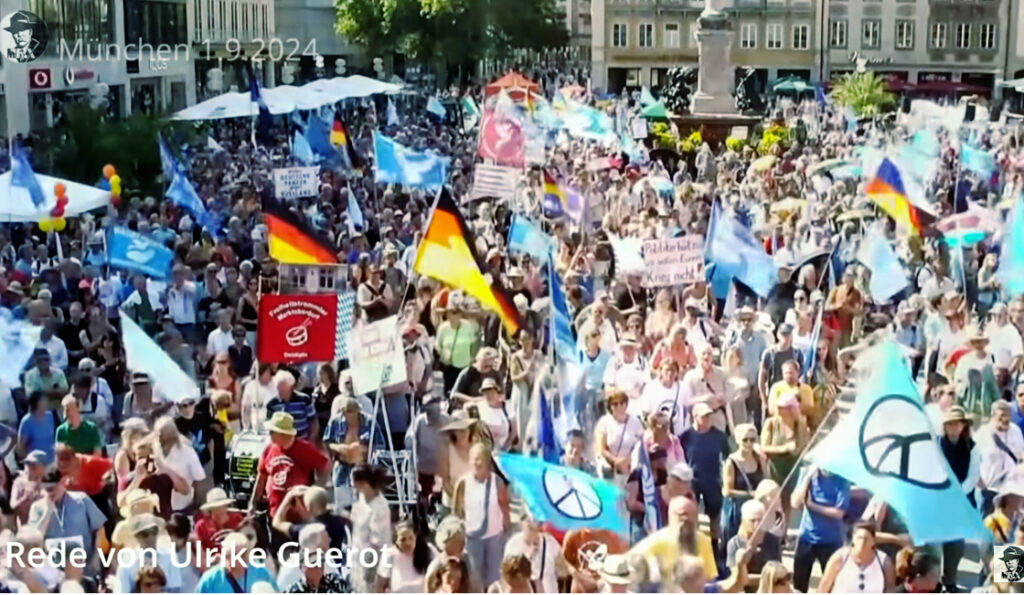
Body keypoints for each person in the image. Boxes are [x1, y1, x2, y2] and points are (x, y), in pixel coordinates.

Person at [251, 411, 330, 517]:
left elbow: (325, 465)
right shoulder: (269, 449)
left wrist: (317, 488)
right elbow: (261, 476)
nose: (269, 434)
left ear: (283, 434)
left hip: (299, 514)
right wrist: (253, 502)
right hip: (275, 513)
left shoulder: (305, 449)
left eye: (272, 432)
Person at [454, 442, 510, 587]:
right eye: (475, 459)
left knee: (494, 576)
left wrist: (506, 525)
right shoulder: (463, 482)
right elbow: (457, 509)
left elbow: (504, 505)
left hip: (494, 535)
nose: (478, 463)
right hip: (472, 537)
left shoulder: (497, 482)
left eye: (481, 459)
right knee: (475, 576)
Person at [789, 466, 850, 593]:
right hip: (807, 537)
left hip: (831, 541)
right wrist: (807, 478)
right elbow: (795, 503)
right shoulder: (807, 473)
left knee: (831, 585)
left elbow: (839, 513)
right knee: (799, 583)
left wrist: (813, 506)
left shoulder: (842, 480)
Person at [680, 402, 730, 549]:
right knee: (691, 516)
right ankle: (694, 546)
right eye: (704, 416)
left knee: (714, 517)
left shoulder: (719, 436)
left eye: (709, 416)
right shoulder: (686, 437)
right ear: (695, 417)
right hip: (692, 481)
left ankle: (715, 549)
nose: (707, 419)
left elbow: (727, 458)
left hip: (712, 480)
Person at [721, 423, 767, 547]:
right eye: (745, 440)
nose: (749, 443)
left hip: (756, 509)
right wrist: (750, 494)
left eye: (752, 440)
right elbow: (727, 491)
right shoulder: (731, 462)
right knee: (736, 544)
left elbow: (766, 480)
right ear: (737, 440)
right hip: (736, 509)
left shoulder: (759, 459)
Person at [817, 521, 895, 593]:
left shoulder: (885, 562)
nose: (862, 542)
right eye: (859, 538)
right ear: (853, 539)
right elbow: (823, 588)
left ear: (873, 541)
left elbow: (890, 590)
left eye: (865, 538)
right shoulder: (839, 558)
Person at [323, 396, 371, 511]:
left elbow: (380, 444)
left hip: (362, 467)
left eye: (352, 412)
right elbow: (327, 442)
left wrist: (362, 448)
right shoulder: (335, 422)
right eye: (346, 413)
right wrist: (339, 448)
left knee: (363, 506)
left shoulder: (369, 421)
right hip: (342, 467)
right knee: (343, 508)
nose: (349, 415)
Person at [350, 464, 392, 592]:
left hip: (373, 561)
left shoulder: (380, 508)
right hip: (357, 554)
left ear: (363, 484)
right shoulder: (362, 498)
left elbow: (378, 541)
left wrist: (371, 567)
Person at [195, 532, 277, 592]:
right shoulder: (210, 580)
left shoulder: (261, 572)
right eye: (237, 555)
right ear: (226, 556)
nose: (243, 559)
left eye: (245, 553)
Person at [504, 515, 564, 594]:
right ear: (522, 522)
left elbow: (562, 572)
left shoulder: (551, 543)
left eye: (534, 521)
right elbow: (507, 576)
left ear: (540, 525)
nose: (531, 523)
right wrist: (525, 558)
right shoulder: (513, 545)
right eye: (528, 520)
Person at [595, 390, 644, 483]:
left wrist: (628, 461)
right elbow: (601, 448)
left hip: (629, 463)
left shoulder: (635, 422)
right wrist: (616, 461)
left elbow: (640, 445)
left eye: (622, 403)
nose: (619, 406)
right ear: (610, 406)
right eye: (615, 404)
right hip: (610, 464)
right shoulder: (604, 422)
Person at [378, 519, 433, 592]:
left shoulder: (428, 550)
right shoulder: (389, 555)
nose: (408, 543)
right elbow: (381, 585)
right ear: (396, 541)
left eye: (411, 538)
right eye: (403, 540)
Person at [266, 369, 319, 440]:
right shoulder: (272, 404)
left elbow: (313, 422)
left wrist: (311, 440)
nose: (280, 391)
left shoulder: (304, 400)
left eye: (283, 388)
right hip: (282, 443)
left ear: (291, 387)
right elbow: (270, 427)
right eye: (278, 388)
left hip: (302, 442)